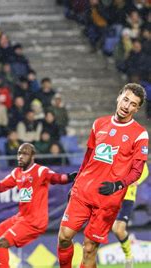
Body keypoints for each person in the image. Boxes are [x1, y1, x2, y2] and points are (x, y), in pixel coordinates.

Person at [57, 83, 148, 268]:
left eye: (132, 104)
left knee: (90, 249)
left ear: (137, 109)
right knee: (64, 237)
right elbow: (88, 157)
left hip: (108, 200)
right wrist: (76, 184)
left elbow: (137, 171)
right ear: (119, 97)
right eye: (125, 99)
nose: (126, 105)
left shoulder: (140, 134)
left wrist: (117, 186)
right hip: (83, 191)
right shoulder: (99, 124)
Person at [0, 143, 76, 268]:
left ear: (32, 156)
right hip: (21, 217)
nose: (20, 156)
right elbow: (0, 188)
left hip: (35, 221)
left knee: (1, 243)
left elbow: (57, 178)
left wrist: (69, 177)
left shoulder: (40, 171)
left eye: (25, 154)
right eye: (19, 153)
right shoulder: (17, 173)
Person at [111, 163, 148, 268]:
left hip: (127, 198)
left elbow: (144, 168)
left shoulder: (136, 154)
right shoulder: (117, 153)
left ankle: (129, 256)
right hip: (111, 196)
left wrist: (137, 180)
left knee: (118, 230)